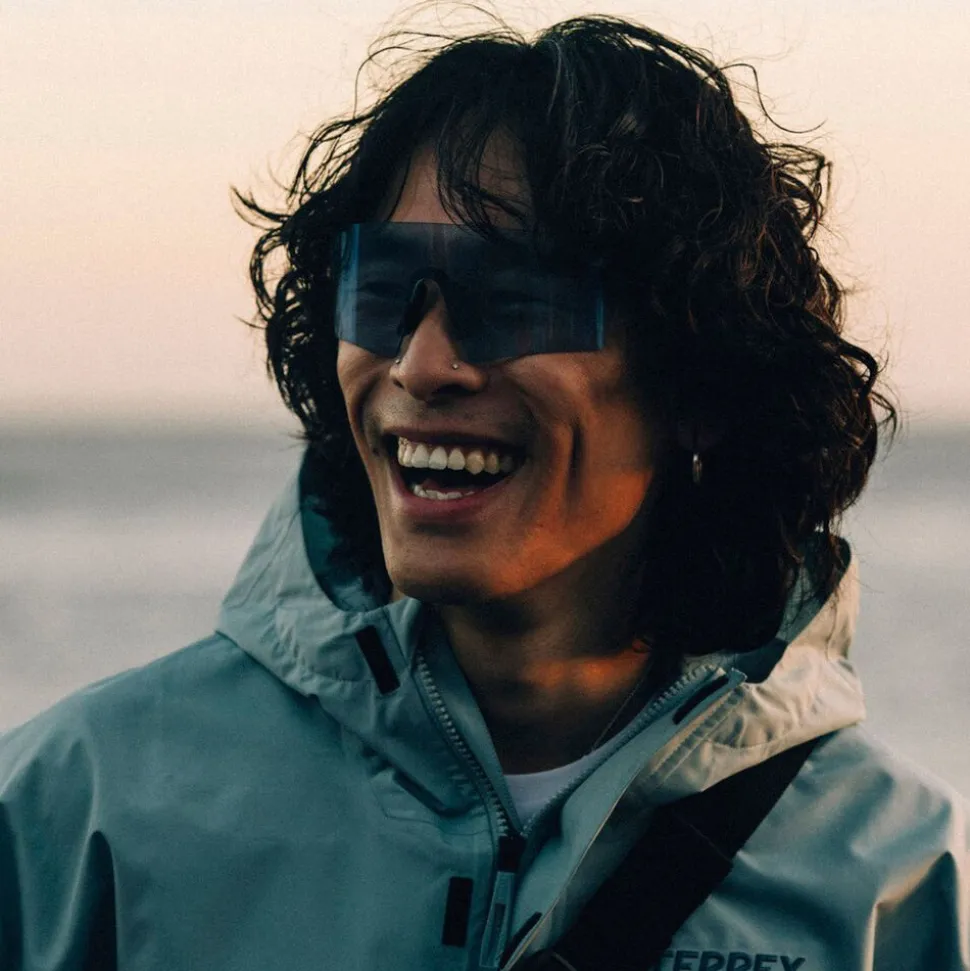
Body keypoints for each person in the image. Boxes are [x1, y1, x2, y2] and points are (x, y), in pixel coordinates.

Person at [1, 13, 967, 971]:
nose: (422, 365)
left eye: (514, 299)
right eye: (384, 290)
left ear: (700, 384)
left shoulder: (886, 876)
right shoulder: (82, 811)